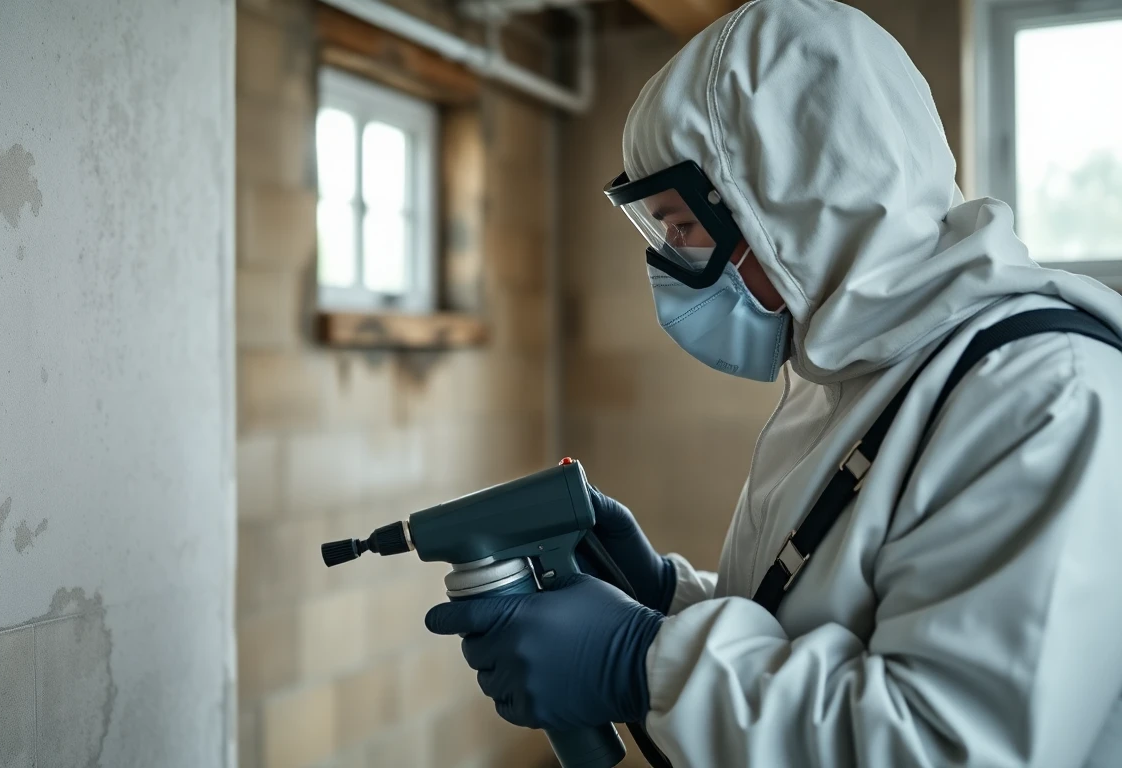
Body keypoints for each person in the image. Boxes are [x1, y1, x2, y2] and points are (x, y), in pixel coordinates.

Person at [422, 0, 1122, 765]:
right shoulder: (847, 382)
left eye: (681, 229)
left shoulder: (1043, 396)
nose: (669, 265)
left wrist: (640, 661)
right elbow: (817, 632)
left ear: (788, 205)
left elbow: (951, 744)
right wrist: (664, 597)